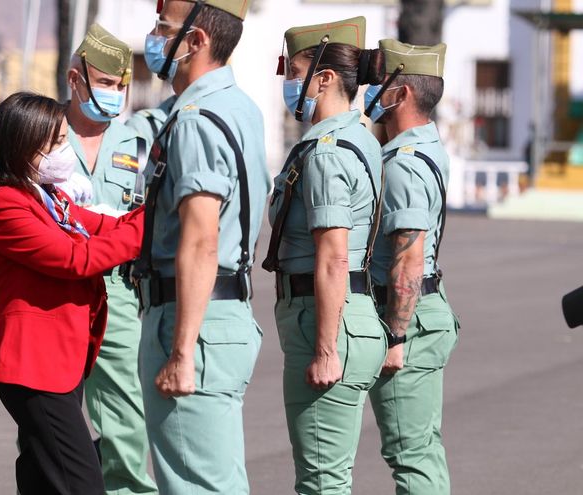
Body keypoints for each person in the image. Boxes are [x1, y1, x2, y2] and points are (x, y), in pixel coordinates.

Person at [0, 92, 145, 494]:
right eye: (54, 142)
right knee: (81, 482)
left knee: (43, 480)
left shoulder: (48, 196)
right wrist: (150, 226)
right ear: (22, 144)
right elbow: (75, 259)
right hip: (33, 366)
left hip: (58, 362)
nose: (63, 151)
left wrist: (156, 208)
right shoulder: (5, 204)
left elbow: (104, 227)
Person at [132, 1, 270, 492]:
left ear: (196, 41)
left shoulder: (195, 119)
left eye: (163, 28)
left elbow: (199, 241)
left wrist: (182, 351)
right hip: (222, 314)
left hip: (192, 318)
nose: (153, 37)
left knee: (195, 484)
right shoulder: (240, 107)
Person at [261, 16, 388, 494]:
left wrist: (326, 349)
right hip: (347, 312)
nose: (290, 84)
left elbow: (333, 257)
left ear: (326, 77)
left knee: (321, 482)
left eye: (295, 72)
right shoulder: (357, 139)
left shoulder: (328, 152)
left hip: (327, 318)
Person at [58, 23, 159, 495]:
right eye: (104, 83)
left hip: (114, 291)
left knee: (127, 422)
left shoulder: (136, 144)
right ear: (73, 78)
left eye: (120, 86)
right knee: (50, 424)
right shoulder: (41, 128)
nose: (114, 94)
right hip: (52, 292)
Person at [364, 39, 460, 495]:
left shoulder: (402, 164)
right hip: (426, 310)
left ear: (400, 95)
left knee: (410, 455)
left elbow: (409, 258)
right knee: (421, 448)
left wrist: (396, 336)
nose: (369, 91)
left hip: (408, 316)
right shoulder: (424, 147)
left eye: (377, 83)